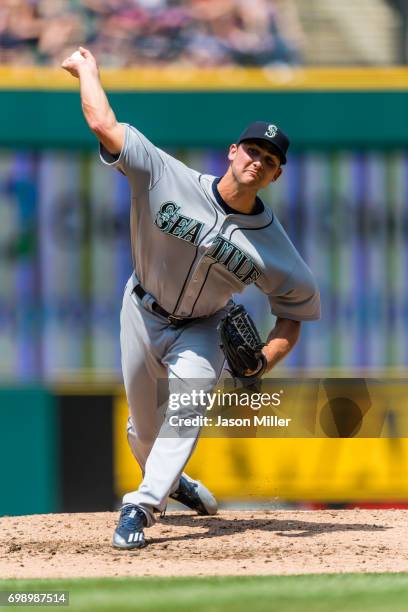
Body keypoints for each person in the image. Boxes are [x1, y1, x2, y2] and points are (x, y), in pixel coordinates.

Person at [62, 47, 320, 550]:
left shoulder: (274, 246)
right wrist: (88, 71)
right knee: (142, 427)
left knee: (190, 401)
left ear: (276, 175)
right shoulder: (166, 176)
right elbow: (103, 123)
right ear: (233, 151)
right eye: (252, 151)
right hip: (140, 308)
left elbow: (294, 314)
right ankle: (174, 481)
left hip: (205, 326)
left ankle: (141, 504)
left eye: (269, 160)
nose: (258, 161)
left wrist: (264, 358)